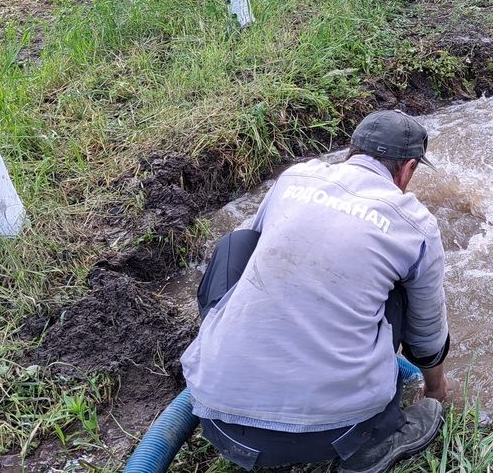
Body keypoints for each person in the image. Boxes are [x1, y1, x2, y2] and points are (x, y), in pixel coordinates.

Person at [180, 110, 451, 473]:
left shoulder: (296, 177)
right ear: (408, 169)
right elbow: (426, 331)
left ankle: (229, 354)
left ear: (350, 151)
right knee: (401, 291)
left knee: (238, 243)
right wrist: (434, 389)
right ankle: (381, 440)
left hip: (218, 422)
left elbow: (254, 254)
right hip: (339, 433)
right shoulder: (414, 222)